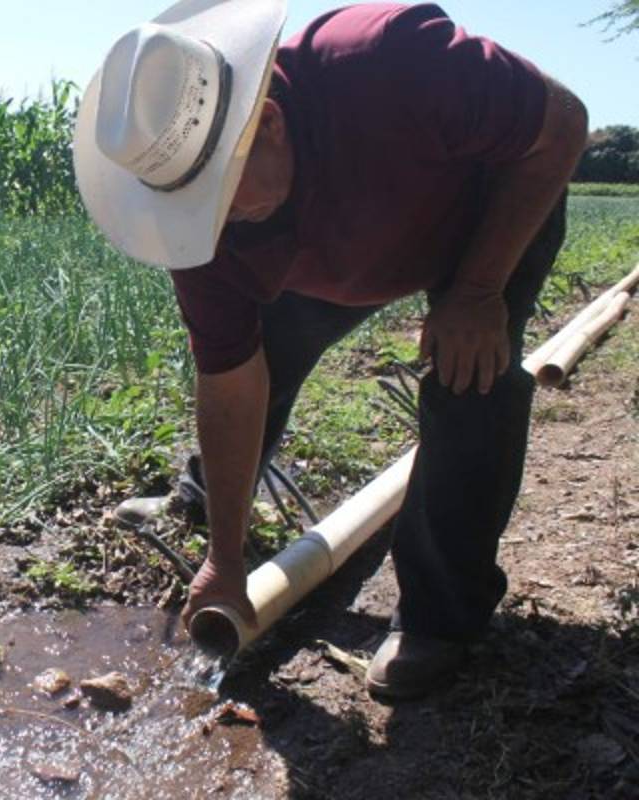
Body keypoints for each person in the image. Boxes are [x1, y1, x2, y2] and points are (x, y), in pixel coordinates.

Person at [72, 0, 587, 699]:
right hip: (337, 252)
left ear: (270, 126)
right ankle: (208, 505)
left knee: (469, 381)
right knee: (270, 348)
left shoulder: (388, 61)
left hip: (485, 220)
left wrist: (476, 289)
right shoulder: (203, 230)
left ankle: (441, 618)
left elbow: (560, 125)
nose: (209, 231)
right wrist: (226, 560)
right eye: (192, 212)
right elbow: (229, 379)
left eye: (223, 204)